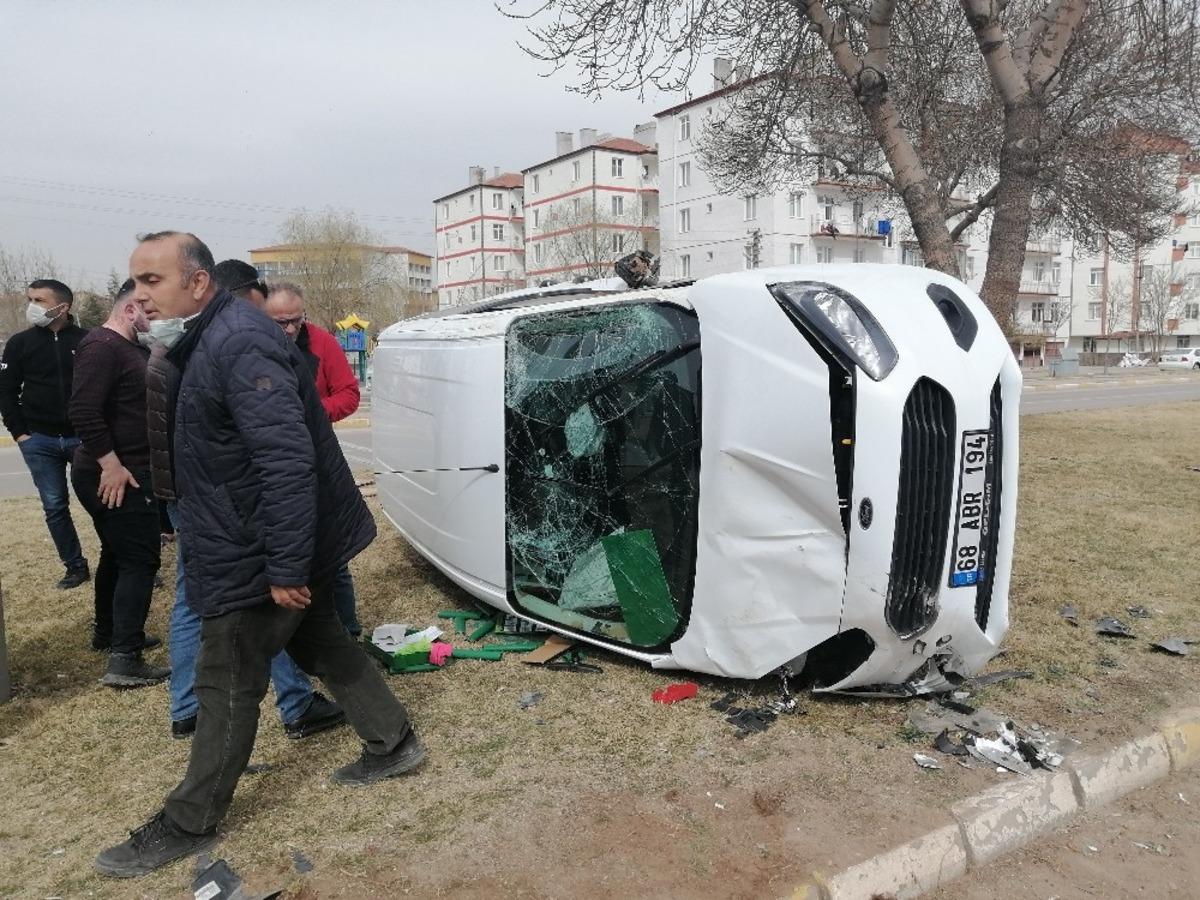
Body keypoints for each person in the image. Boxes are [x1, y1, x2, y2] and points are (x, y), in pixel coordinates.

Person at [97, 232, 423, 879]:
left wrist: (285, 567)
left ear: (197, 282)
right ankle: (394, 743)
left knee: (226, 677)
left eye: (153, 281)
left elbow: (286, 460)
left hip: (262, 547)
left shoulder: (238, 340)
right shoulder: (199, 335)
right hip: (257, 534)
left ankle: (189, 819)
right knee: (323, 642)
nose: (140, 295)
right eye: (134, 283)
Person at [162, 260, 344, 740]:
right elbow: (277, 457)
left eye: (292, 319)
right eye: (273, 316)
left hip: (205, 497)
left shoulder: (188, 346)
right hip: (227, 503)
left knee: (202, 601)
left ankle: (195, 710)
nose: (283, 327)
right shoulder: (227, 346)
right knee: (257, 609)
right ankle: (287, 707)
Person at [68, 280, 168, 685]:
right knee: (140, 560)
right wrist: (110, 464)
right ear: (130, 310)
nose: (156, 318)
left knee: (116, 552)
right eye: (150, 310)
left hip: (124, 469)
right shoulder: (102, 346)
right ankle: (124, 659)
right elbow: (83, 410)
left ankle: (110, 633)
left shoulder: (129, 347)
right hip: (116, 473)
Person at [265, 282, 362, 636]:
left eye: (296, 320)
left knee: (333, 555)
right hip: (272, 467)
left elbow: (349, 395)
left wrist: (311, 413)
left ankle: (348, 630)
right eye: (280, 322)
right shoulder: (251, 346)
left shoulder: (322, 342)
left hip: (317, 458)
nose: (290, 329)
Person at [0, 279, 91, 589]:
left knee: (106, 503)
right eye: (30, 299)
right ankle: (75, 566)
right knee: (54, 506)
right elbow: (6, 392)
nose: (32, 306)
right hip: (39, 439)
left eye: (39, 300)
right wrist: (21, 435)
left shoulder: (88, 340)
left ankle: (126, 560)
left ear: (62, 307)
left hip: (85, 439)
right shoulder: (19, 344)